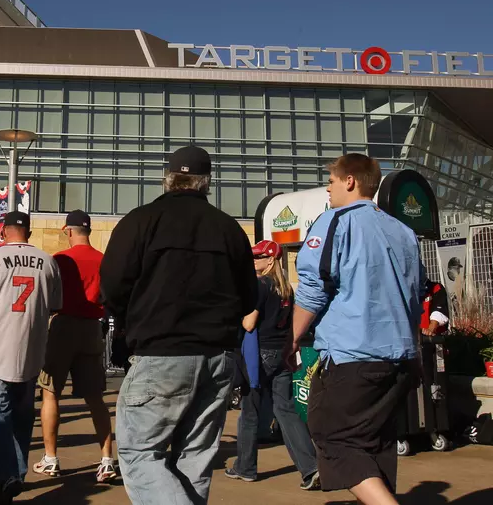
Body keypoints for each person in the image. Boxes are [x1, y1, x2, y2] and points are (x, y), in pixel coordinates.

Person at [101, 145, 257, 505]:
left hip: (160, 353)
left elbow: (111, 286)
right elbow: (249, 298)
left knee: (140, 454)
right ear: (207, 182)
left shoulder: (141, 221)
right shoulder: (229, 228)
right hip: (218, 357)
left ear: (168, 178)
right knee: (195, 458)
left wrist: (131, 317)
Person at [290, 153, 423, 504]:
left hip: (355, 356)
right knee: (375, 444)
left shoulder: (335, 220)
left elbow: (313, 286)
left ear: (350, 180)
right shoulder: (403, 231)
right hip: (402, 359)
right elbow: (414, 293)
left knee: (333, 440)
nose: (328, 190)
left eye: (331, 182)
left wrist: (290, 340)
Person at [0, 211, 63, 505]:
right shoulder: (48, 262)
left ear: (3, 231)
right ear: (29, 233)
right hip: (32, 351)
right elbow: (55, 306)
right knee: (22, 418)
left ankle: (8, 475)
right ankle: (17, 475)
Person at [225, 239, 320, 489]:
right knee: (286, 412)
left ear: (270, 260)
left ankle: (245, 467)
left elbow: (248, 324)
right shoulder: (286, 288)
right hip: (281, 352)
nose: (253, 260)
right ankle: (311, 468)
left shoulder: (260, 285)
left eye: (258, 257)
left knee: (250, 412)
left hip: (260, 354)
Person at [34, 210, 116, 483]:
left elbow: (47, 297)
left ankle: (51, 458)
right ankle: (106, 460)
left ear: (68, 231)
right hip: (92, 327)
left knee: (50, 391)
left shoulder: (59, 260)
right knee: (95, 398)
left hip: (62, 325)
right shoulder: (104, 260)